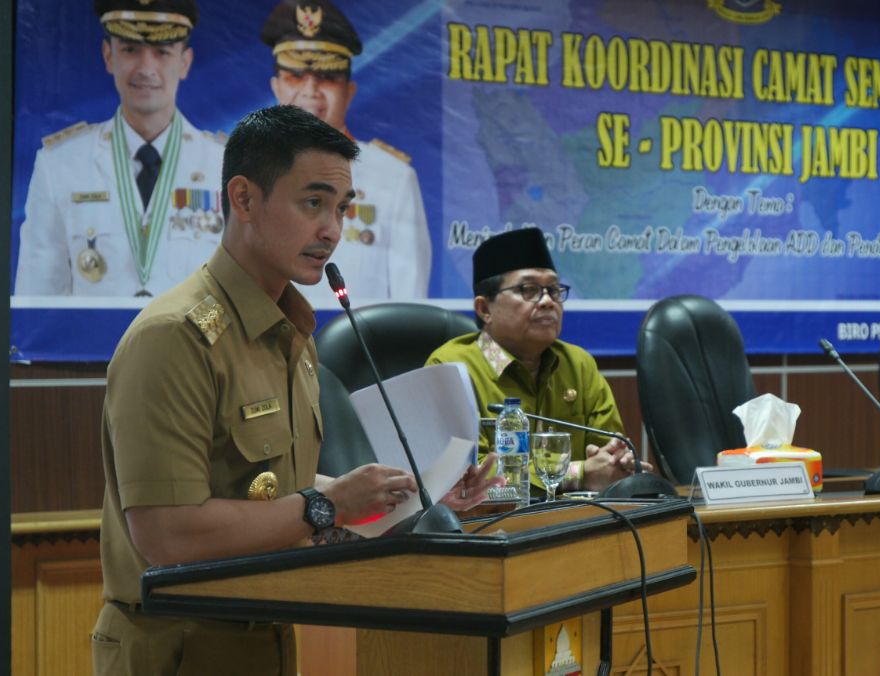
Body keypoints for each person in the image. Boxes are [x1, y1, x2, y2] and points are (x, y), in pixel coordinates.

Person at [92, 105, 496, 676]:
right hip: (178, 644)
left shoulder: (292, 332)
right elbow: (167, 534)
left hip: (269, 634)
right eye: (313, 203)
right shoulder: (175, 337)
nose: (332, 229)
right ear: (244, 198)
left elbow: (276, 491)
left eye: (342, 208)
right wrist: (327, 504)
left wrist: (413, 499)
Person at [15, 0, 227, 297]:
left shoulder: (226, 164)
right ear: (108, 56)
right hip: (92, 332)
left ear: (185, 62)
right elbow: (38, 298)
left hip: (195, 330)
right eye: (130, 50)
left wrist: (196, 328)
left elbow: (238, 292)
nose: (146, 68)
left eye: (162, 52)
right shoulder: (60, 165)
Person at [426, 228, 651, 493]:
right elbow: (468, 476)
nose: (547, 301)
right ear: (485, 309)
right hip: (490, 518)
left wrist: (617, 463)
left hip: (579, 515)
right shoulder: (450, 368)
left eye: (554, 290)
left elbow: (608, 454)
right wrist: (577, 474)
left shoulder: (578, 364)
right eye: (529, 290)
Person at [261, 0, 431, 301]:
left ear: (349, 92)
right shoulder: (248, 170)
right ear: (276, 87)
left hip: (354, 331)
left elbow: (410, 304)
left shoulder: (392, 178)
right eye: (296, 76)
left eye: (327, 77)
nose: (310, 91)